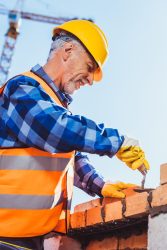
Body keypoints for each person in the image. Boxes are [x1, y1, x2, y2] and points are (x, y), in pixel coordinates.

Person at [0, 19, 149, 250]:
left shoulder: (53, 105)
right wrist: (116, 142)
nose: (90, 80)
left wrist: (100, 185)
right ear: (68, 51)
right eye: (90, 67)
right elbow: (53, 128)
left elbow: (71, 157)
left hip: (28, 240)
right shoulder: (23, 87)